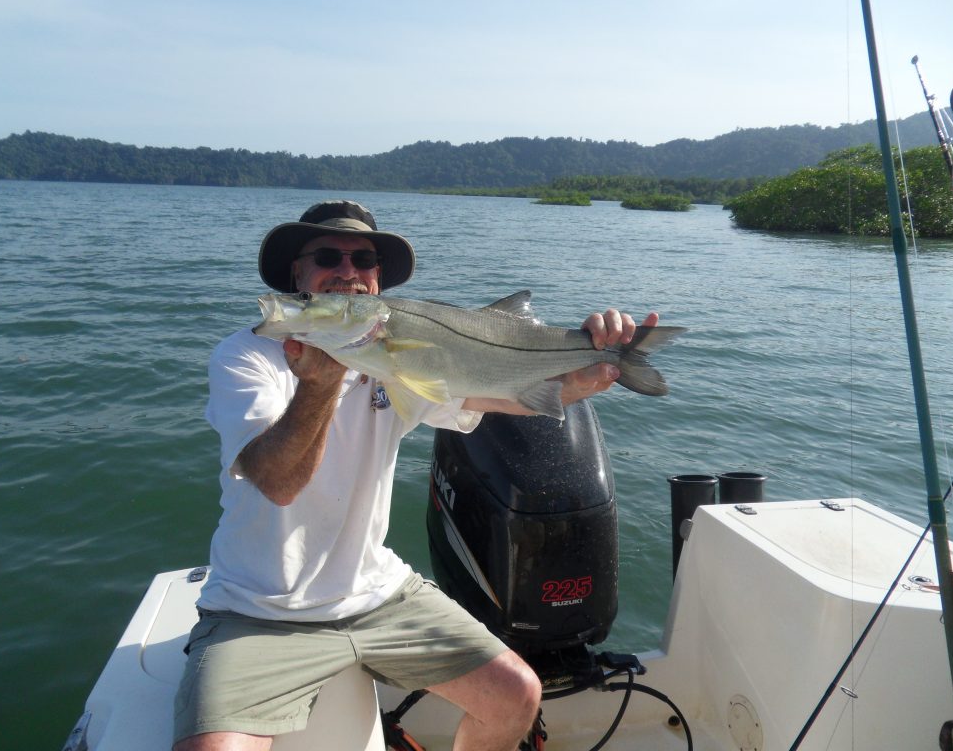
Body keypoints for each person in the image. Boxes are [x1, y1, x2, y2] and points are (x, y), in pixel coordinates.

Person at [173, 200, 659, 751]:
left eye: (364, 260)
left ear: (378, 284)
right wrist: (321, 381)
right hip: (260, 611)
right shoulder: (247, 357)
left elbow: (502, 395)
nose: (348, 271)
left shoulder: (397, 360)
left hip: (376, 595)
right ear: (297, 275)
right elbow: (277, 483)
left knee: (517, 695)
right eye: (328, 256)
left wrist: (597, 368)